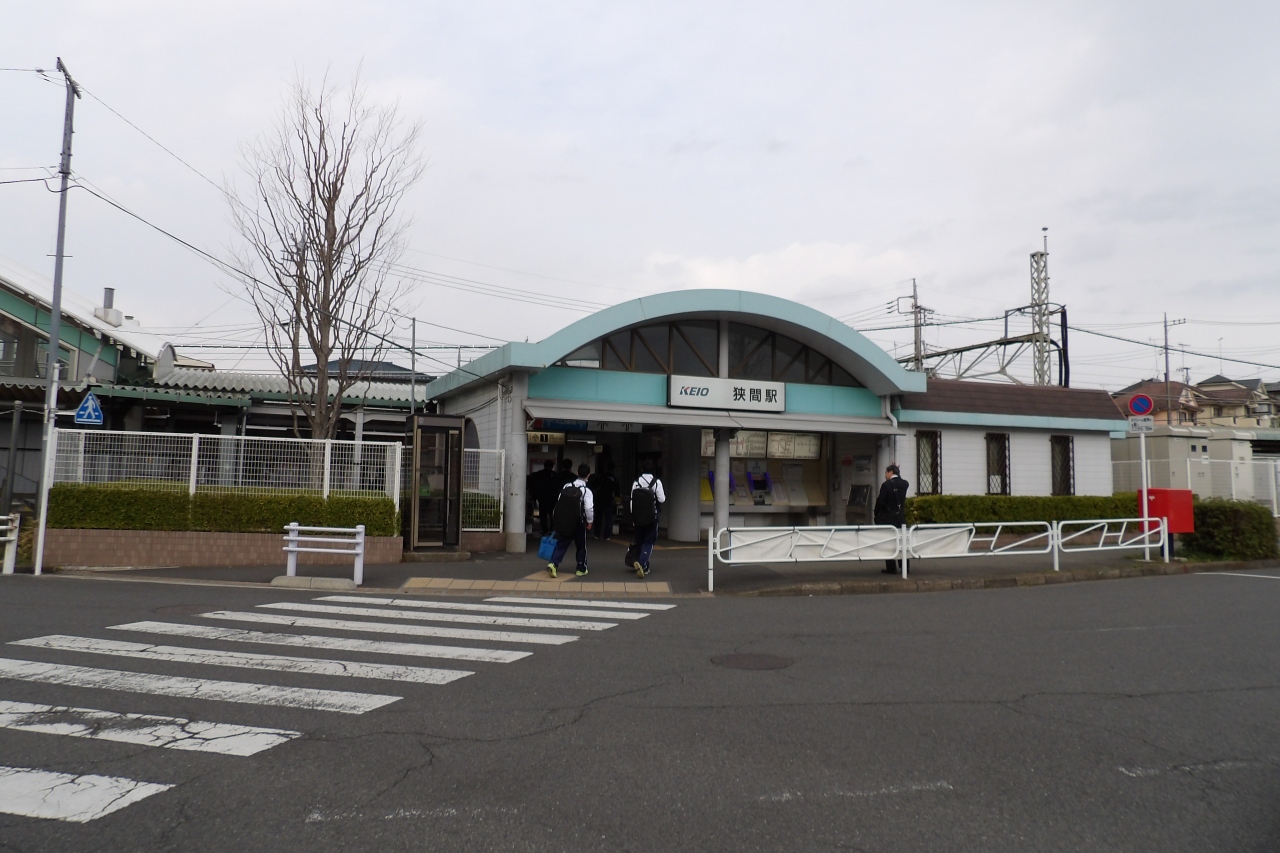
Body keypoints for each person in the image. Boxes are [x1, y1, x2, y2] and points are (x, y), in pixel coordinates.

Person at [547, 463, 594, 578]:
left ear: (577, 473)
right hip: (579, 523)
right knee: (581, 546)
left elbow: (559, 502)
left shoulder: (567, 486)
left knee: (562, 543)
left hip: (566, 521)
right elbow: (588, 508)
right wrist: (590, 522)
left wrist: (556, 518)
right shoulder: (587, 491)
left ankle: (553, 563)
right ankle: (581, 568)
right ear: (588, 475)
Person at [629, 459, 666, 578]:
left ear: (642, 469)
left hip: (638, 516)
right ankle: (642, 563)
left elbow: (632, 501)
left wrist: (633, 517)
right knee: (649, 540)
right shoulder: (656, 482)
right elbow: (662, 499)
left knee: (640, 540)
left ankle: (642, 562)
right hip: (651, 516)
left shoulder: (636, 482)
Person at [874, 464, 910, 574]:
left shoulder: (886, 485)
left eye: (886, 473)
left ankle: (891, 567)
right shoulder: (904, 484)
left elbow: (881, 501)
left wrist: (876, 514)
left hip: (888, 518)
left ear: (890, 472)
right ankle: (904, 567)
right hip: (900, 517)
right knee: (903, 541)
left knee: (889, 542)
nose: (885, 475)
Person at [587, 461, 620, 540]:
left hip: (598, 499)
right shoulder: (614, 478)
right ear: (614, 469)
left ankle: (597, 534)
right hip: (608, 499)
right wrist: (618, 501)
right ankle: (607, 535)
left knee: (598, 516)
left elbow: (593, 486)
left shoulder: (600, 476)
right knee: (608, 517)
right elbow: (617, 491)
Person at [528, 459, 560, 536]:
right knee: (552, 512)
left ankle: (544, 528)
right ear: (552, 466)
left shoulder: (538, 474)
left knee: (543, 513)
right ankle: (552, 527)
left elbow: (533, 483)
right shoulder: (555, 475)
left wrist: (534, 495)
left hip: (542, 497)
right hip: (553, 497)